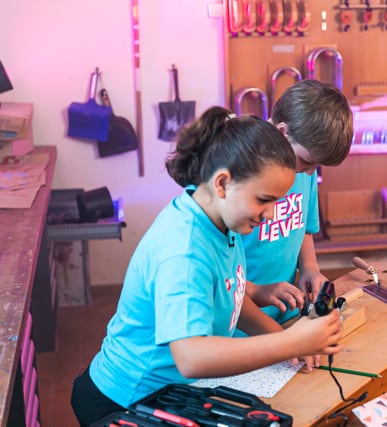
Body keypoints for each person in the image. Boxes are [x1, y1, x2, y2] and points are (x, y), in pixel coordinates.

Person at [70, 107, 342, 427]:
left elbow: (232, 297)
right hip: (125, 400)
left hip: (170, 391)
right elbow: (191, 357)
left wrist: (286, 342)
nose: (269, 215)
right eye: (264, 200)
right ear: (223, 183)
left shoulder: (220, 220)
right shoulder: (183, 250)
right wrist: (291, 342)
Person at [240, 80, 354, 327]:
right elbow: (224, 285)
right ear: (283, 132)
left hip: (288, 315)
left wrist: (310, 268)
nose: (309, 172)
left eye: (316, 166)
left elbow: (301, 227)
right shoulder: (242, 176)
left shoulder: (304, 171)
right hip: (243, 325)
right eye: (306, 162)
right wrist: (285, 341)